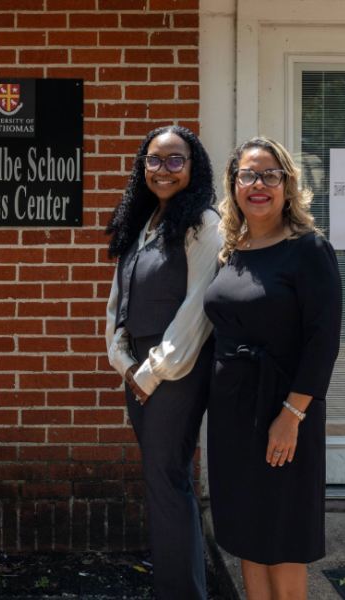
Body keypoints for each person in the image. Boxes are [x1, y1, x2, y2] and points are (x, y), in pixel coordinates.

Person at [203, 138, 342, 600]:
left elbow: (322, 341)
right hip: (232, 414)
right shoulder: (232, 248)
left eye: (269, 175)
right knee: (247, 533)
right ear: (233, 184)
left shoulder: (309, 250)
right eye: (247, 175)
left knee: (282, 540)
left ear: (287, 185)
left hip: (285, 409)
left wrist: (292, 415)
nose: (257, 184)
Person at [104, 126, 222, 600]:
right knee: (161, 480)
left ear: (194, 167)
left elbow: (199, 307)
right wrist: (121, 357)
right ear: (142, 166)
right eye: (155, 160)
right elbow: (120, 298)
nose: (164, 169)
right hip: (138, 370)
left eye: (176, 160)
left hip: (175, 369)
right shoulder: (146, 220)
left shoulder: (204, 223)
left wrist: (152, 371)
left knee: (168, 480)